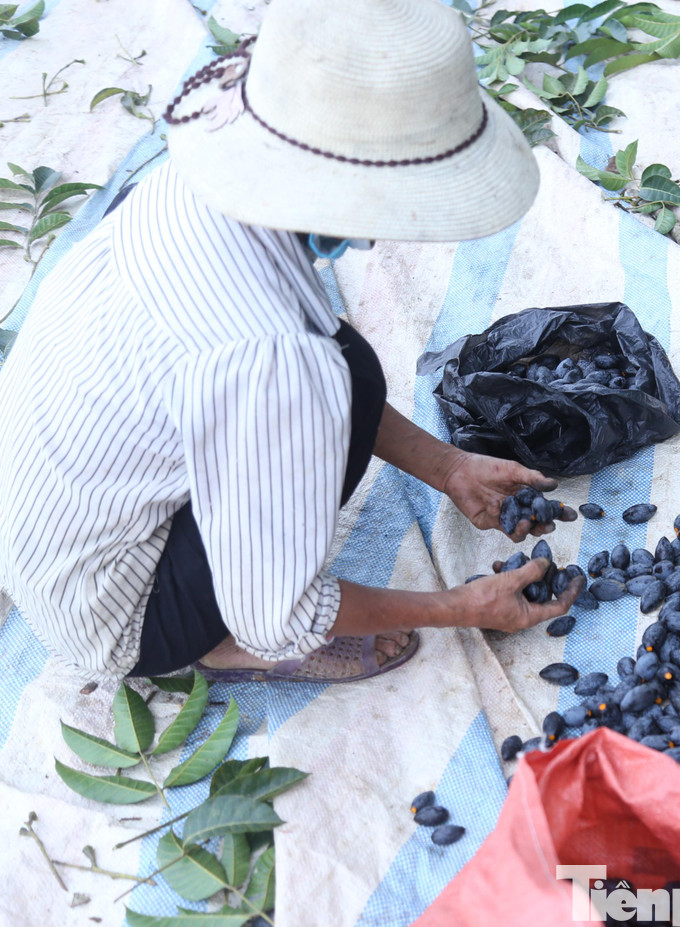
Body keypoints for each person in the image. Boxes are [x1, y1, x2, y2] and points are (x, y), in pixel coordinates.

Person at [0, 0, 579, 683]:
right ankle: (212, 645)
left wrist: (451, 468)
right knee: (333, 383)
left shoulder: (187, 183)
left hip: (35, 517)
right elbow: (279, 613)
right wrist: (460, 604)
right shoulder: (272, 358)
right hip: (118, 612)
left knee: (351, 373)